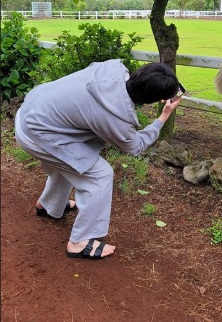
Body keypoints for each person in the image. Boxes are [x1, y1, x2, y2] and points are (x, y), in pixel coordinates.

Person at [15, 59, 182, 260]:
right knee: (100, 175)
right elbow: (136, 146)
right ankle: (79, 242)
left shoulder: (111, 69)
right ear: (152, 100)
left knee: (72, 162)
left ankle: (50, 205)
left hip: (30, 112)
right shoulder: (116, 117)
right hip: (37, 133)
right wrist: (162, 118)